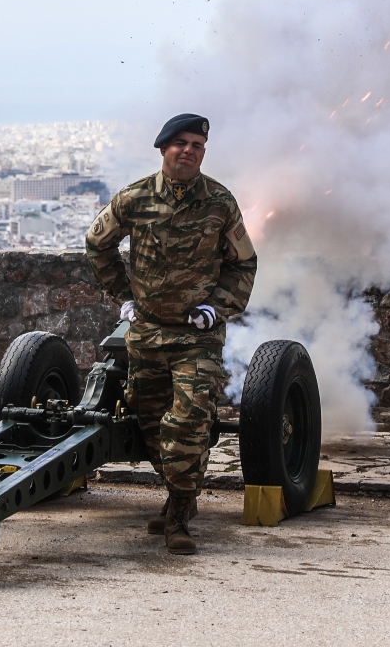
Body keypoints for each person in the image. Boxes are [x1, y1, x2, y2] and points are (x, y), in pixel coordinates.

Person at [85, 113, 257, 554]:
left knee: (188, 422)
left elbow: (243, 262)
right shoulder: (135, 198)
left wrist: (215, 308)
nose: (189, 150)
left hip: (195, 337)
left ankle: (179, 515)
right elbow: (97, 242)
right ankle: (181, 495)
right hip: (146, 335)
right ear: (163, 148)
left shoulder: (219, 201)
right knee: (150, 427)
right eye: (181, 143)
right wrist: (122, 295)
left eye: (197, 144)